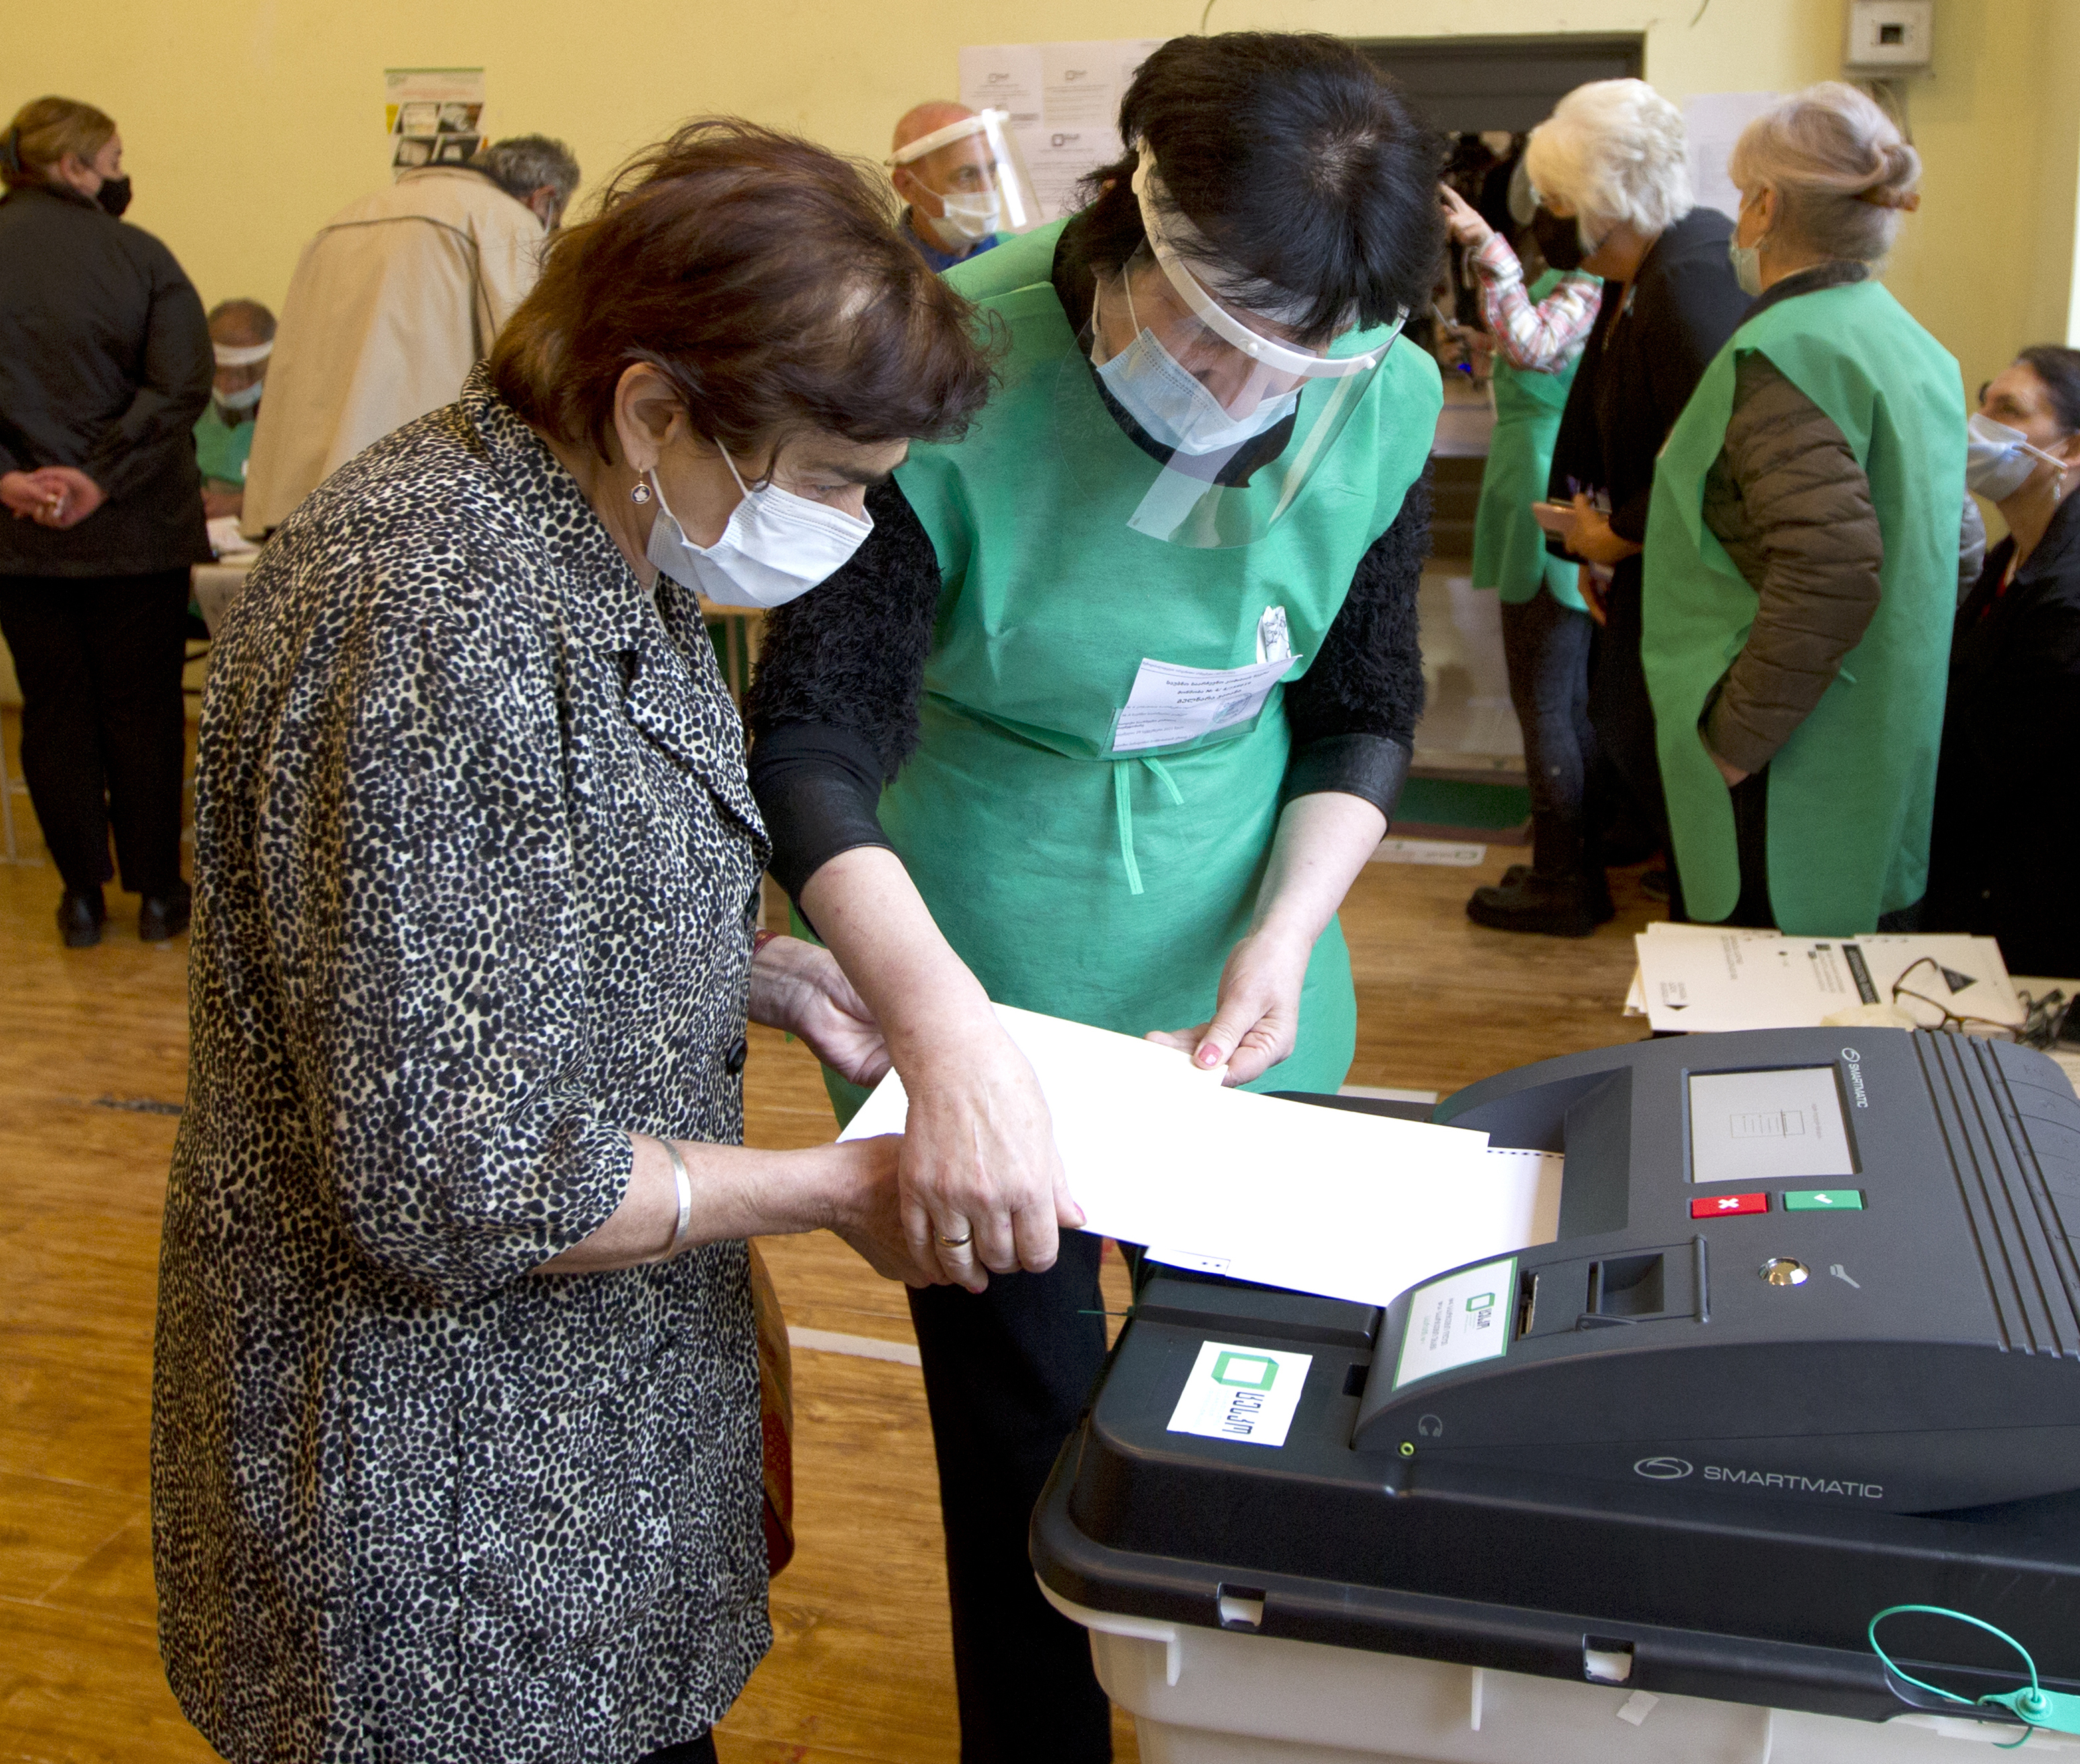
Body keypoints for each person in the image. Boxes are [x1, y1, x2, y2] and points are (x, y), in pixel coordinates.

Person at [150, 120, 996, 1762]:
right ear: (653, 403)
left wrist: (762, 973)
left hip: (570, 1428)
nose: (845, 527)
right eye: (831, 480)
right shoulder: (431, 611)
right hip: (433, 1474)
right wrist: (840, 1192)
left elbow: (496, 907)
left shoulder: (606, 534)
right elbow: (448, 1169)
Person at [747, 33, 1446, 1763]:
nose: (1248, 397)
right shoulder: (948, 368)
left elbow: (1362, 704)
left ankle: (1252, 1725)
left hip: (1239, 958)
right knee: (1028, 1438)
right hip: (978, 963)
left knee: (1268, 1415)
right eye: (1218, 337)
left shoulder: (1383, 392)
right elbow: (815, 735)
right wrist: (944, 1023)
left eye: (1297, 369)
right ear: (1139, 220)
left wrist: (1285, 932)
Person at [1640, 82, 1964, 936]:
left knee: (1756, 1043)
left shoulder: (1788, 353)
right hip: (1874, 740)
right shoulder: (1909, 342)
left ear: (1765, 206)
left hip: (1790, 767)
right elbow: (1952, 541)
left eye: (1741, 196)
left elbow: (1828, 570)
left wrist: (1731, 745)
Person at [0, 96, 208, 947]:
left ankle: (78, 897)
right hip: (135, 529)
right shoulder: (141, 257)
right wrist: (100, 481)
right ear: (74, 167)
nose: (119, 173)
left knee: (54, 708)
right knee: (141, 709)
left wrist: (5, 481)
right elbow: (180, 387)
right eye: (112, 156)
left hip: (14, 537)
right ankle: (156, 894)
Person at [1533, 79, 1752, 919]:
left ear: (1605, 198)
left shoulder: (1691, 276)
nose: (1550, 217)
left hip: (1694, 594)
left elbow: (1717, 451)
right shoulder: (1643, 274)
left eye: (1558, 199)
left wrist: (1618, 535)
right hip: (1645, 575)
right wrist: (1585, 542)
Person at [1924, 348, 2080, 976]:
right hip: (1984, 860)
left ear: (2073, 449)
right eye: (1984, 401)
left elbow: (1976, 762)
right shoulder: (2024, 553)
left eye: (2006, 410)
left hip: (2031, 907)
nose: (1977, 423)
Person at [239, 133, 580, 533]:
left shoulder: (341, 220)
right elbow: (526, 369)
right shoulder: (502, 219)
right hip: (420, 501)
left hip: (308, 504)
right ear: (543, 200)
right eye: (555, 225)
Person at [1439, 172, 1615, 935]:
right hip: (1523, 478)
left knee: (1546, 701)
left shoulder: (1586, 283)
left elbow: (1540, 349)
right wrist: (1476, 346)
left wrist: (1485, 246)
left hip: (1543, 485)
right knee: (1554, 699)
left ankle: (1562, 879)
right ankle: (1563, 861)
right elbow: (1518, 351)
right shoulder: (1561, 280)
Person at [887, 102, 1027, 273]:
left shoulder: (1019, 255)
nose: (987, 190)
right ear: (907, 186)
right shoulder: (879, 270)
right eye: (966, 175)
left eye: (991, 170)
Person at [194, 298, 273, 521]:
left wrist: (240, 503)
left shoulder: (297, 413)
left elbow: (312, 490)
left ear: (270, 364)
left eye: (246, 373)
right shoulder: (190, 407)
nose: (229, 385)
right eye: (219, 371)